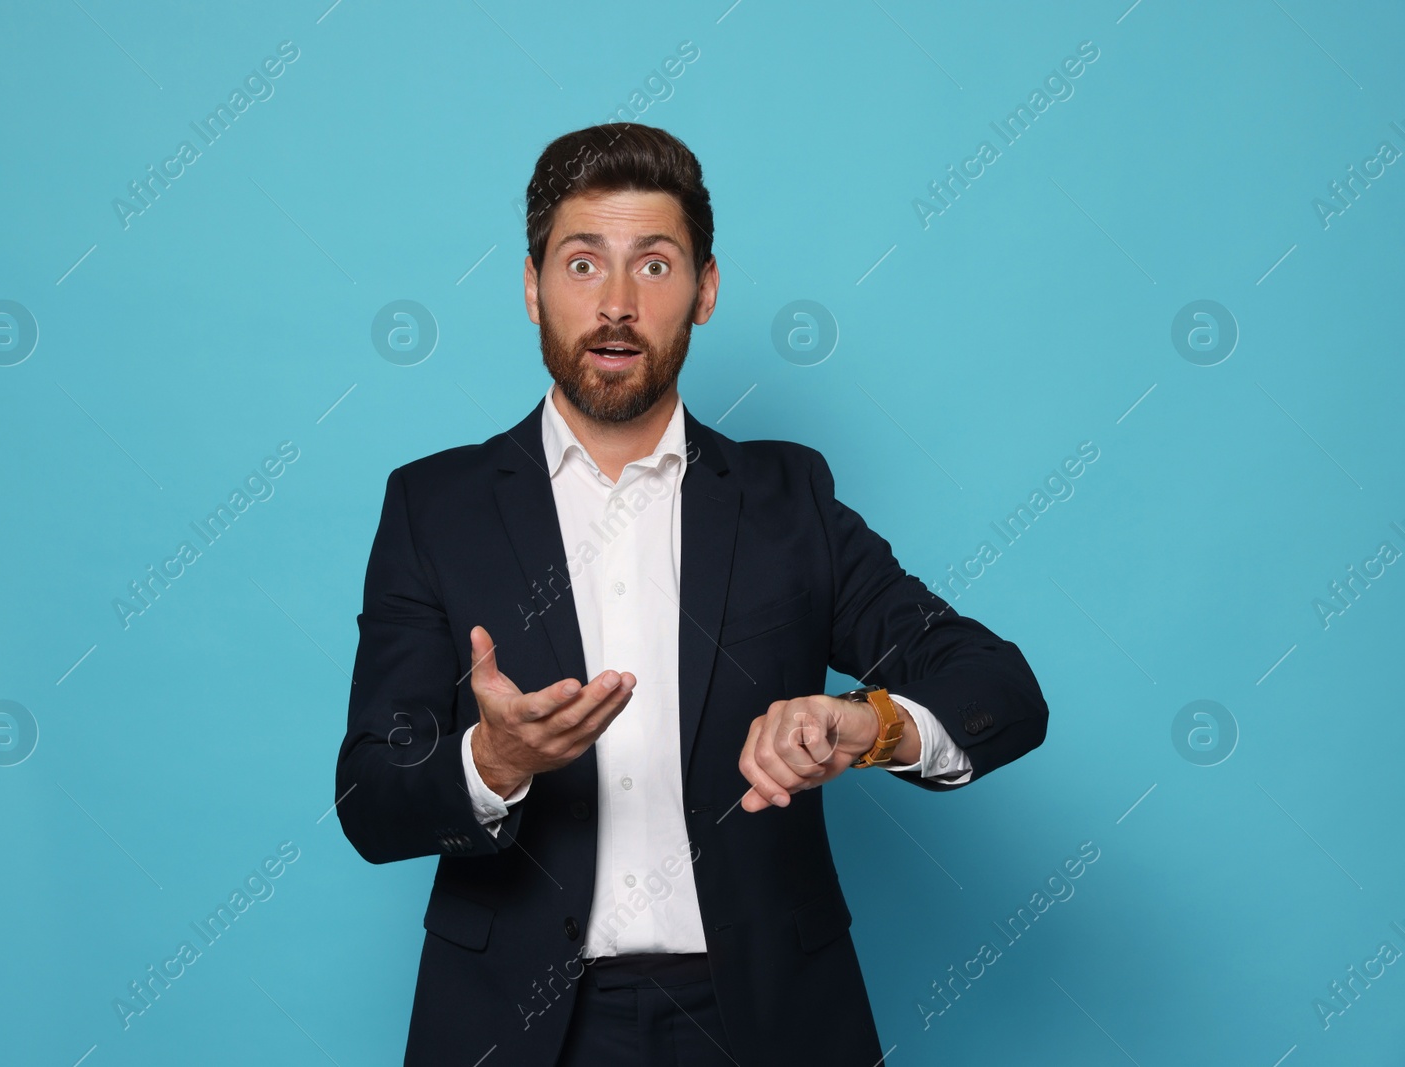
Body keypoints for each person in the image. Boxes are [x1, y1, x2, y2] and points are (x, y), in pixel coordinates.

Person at [336, 122, 1049, 1066]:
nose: (618, 305)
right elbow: (369, 795)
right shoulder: (434, 506)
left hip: (767, 1017)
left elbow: (998, 686)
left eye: (657, 265)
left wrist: (864, 725)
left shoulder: (787, 498)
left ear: (706, 290)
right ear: (530, 286)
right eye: (583, 263)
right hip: (514, 1025)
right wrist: (491, 758)